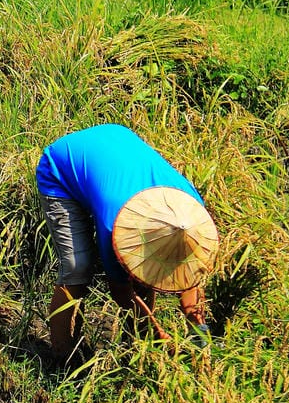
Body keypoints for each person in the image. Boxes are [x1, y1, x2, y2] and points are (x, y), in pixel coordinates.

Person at [35, 123, 219, 362]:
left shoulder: (190, 209)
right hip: (61, 168)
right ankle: (63, 358)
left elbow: (190, 277)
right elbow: (121, 293)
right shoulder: (116, 223)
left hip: (115, 142)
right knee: (77, 267)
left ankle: (137, 347)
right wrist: (158, 335)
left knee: (144, 274)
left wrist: (199, 330)